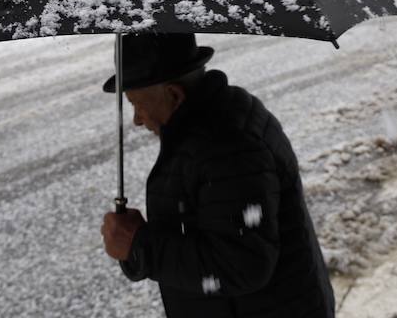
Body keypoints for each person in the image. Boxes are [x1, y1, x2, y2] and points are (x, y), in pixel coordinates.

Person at [100, 33, 335, 318]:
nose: (137, 119)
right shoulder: (207, 125)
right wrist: (136, 247)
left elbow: (242, 265)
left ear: (175, 95)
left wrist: (142, 246)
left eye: (137, 104)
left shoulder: (227, 147)